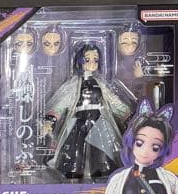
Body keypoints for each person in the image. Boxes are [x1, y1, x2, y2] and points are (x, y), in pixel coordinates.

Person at [41, 42, 130, 180]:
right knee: (74, 150)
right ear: (80, 61)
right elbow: (62, 103)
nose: (92, 63)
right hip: (79, 120)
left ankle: (102, 174)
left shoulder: (100, 84)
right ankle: (73, 173)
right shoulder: (74, 84)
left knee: (102, 153)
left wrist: (128, 117)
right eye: (87, 60)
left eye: (95, 60)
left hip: (99, 120)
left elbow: (113, 102)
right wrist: (50, 121)